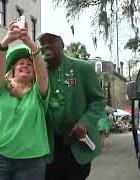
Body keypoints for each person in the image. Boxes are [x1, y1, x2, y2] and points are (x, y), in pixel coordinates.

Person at [0, 20, 50, 180]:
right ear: (12, 70)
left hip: (31, 162)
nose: (26, 65)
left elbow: (42, 74)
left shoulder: (38, 93)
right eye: (21, 63)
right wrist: (6, 41)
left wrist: (31, 45)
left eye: (29, 64)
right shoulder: (1, 89)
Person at [37, 32, 106, 180]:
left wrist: (84, 123)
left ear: (62, 46)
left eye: (51, 41)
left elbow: (98, 100)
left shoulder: (83, 68)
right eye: (42, 43)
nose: (46, 45)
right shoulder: (38, 72)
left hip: (76, 141)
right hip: (49, 145)